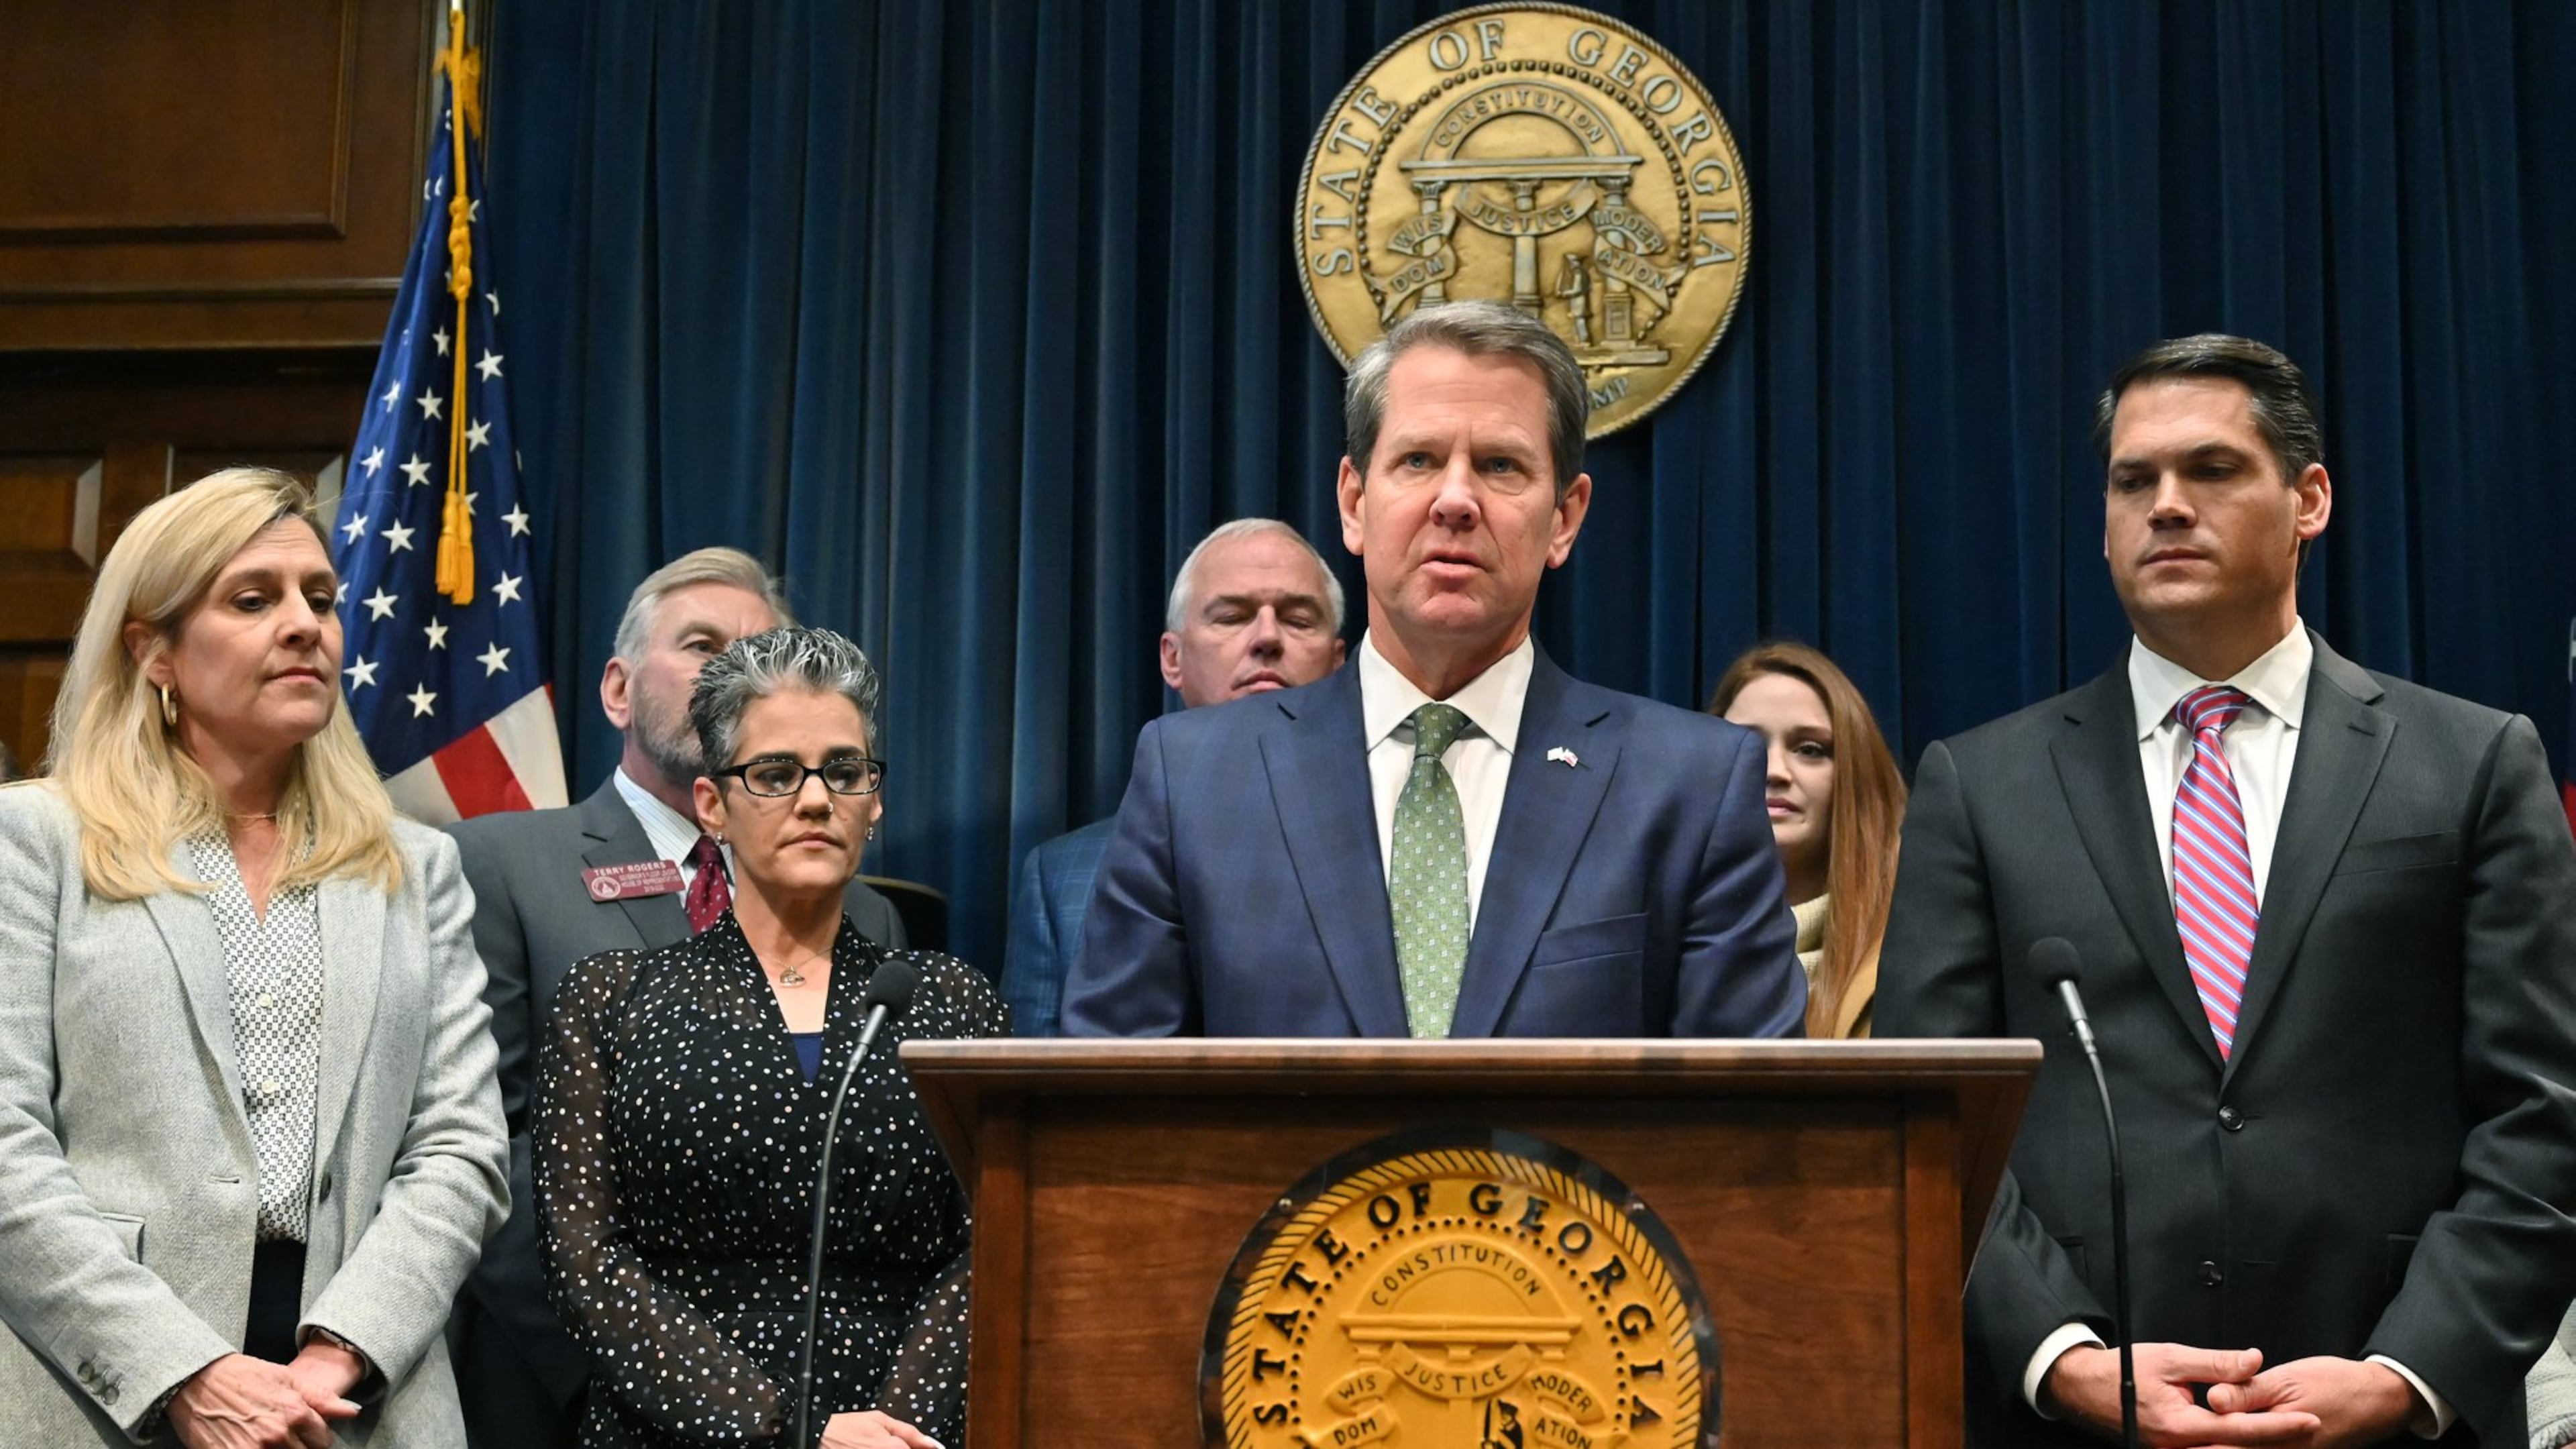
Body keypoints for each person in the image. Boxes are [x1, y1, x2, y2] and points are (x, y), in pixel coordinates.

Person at [1876, 335, 2576, 1447]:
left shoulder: (2475, 763)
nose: (2164, 507)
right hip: (2084, 1417)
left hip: (2387, 1407)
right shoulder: (1981, 784)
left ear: (2309, 499)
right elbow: (1929, 1129)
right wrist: (2064, 1358)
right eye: (2131, 480)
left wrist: (2407, 1369)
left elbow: (2543, 1119)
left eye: (2210, 471)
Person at [1064, 299, 1804, 1039]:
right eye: (1418, 460)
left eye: (1500, 466)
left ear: (1565, 519)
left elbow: (1754, 1130)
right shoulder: (1193, 780)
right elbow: (1103, 1111)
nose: (1456, 500)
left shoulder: (1690, 787)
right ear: (1354, 503)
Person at [0, 467, 508, 1446]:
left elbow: (461, 1148)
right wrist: (184, 1372)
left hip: (356, 1402)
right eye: (252, 599)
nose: (304, 624)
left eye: (320, 598)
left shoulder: (418, 868)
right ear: (153, 651)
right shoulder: (36, 845)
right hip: (99, 1397)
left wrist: (341, 1351)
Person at [445, 548, 906, 1449]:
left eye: (761, 655)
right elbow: (484, 1157)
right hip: (573, 1394)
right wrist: (650, 1382)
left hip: (822, 1402)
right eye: (703, 646)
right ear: (618, 690)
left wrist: (806, 1395)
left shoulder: (869, 916)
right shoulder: (504, 866)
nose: (735, 674)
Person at [535, 625, 1002, 1449]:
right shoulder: (610, 1000)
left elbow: (998, 1242)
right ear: (713, 804)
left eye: (844, 772)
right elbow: (586, 1263)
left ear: (875, 801)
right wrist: (791, 1431)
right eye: (777, 774)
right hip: (674, 1430)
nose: (816, 799)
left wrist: (896, 1428)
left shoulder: (950, 1003)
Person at [1002, 518, 1346, 1035]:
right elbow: (1032, 1103)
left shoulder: (1390, 842)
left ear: (1340, 663)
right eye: (1232, 616)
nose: (1268, 637)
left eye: (1298, 620)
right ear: (1172, 659)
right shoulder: (1058, 878)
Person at [1708, 641, 1905, 1038]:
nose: (1775, 770)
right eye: (1745, 746)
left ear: (1855, 778)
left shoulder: (1915, 944)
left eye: (1810, 750)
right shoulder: (1656, 940)